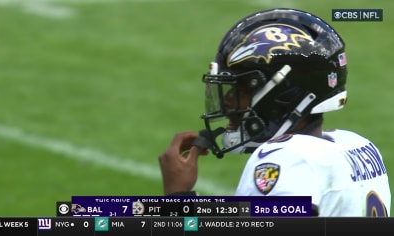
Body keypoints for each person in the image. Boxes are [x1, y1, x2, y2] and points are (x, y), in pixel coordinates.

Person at [158, 8, 391, 216]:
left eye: (241, 88)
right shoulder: (358, 147)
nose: (228, 101)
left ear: (283, 93)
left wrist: (177, 200)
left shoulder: (288, 159)